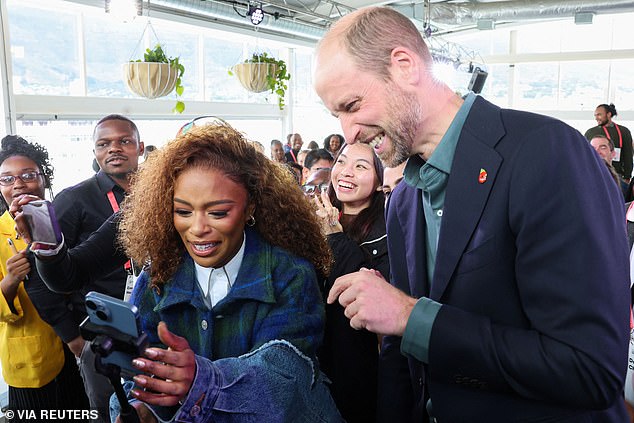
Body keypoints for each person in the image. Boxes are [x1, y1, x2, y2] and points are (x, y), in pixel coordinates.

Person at [314, 7, 630, 422]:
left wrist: (412, 316)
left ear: (404, 66)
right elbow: (403, 366)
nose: (349, 131)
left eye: (352, 105)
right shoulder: (406, 199)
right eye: (337, 115)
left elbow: (589, 369)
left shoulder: (546, 153)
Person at [52, 114, 144, 423]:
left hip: (151, 331)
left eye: (124, 141)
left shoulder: (155, 195)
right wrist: (72, 337)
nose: (114, 149)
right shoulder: (73, 199)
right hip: (101, 337)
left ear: (140, 148)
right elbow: (45, 278)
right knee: (106, 412)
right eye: (104, 144)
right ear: (95, 153)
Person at [0, 135, 88, 418]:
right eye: (7, 179)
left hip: (76, 345)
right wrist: (10, 280)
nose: (18, 184)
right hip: (32, 361)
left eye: (28, 175)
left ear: (44, 179)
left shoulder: (64, 220)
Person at [313, 142, 387, 423]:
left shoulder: (389, 228)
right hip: (320, 361)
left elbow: (367, 294)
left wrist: (334, 237)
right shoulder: (319, 215)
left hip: (358, 367)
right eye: (342, 162)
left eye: (361, 166)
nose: (346, 173)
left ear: (381, 179)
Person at [585, 103, 633, 182]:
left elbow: (628, 155)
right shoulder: (591, 132)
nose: (596, 118)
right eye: (595, 115)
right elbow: (586, 155)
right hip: (595, 173)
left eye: (599, 115)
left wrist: (627, 176)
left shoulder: (624, 131)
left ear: (608, 114)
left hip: (618, 175)